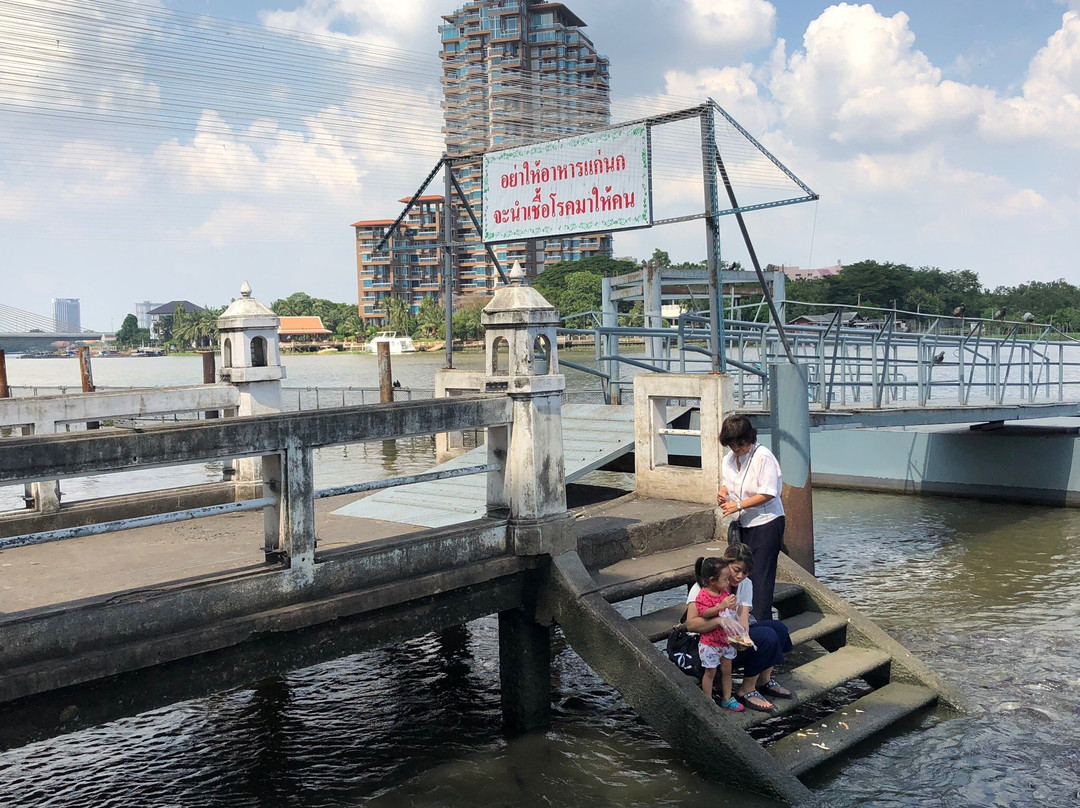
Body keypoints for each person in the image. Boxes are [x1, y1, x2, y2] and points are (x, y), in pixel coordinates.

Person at [717, 413, 785, 622]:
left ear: (748, 439)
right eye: (732, 445)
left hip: (767, 522)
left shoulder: (762, 456)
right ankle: (743, 622)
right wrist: (723, 492)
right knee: (741, 576)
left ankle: (762, 624)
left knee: (760, 578)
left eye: (740, 444)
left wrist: (737, 505)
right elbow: (728, 482)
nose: (736, 449)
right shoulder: (728, 459)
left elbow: (768, 492)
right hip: (744, 523)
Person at [722, 542, 794, 711]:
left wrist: (743, 638)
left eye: (745, 572)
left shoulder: (746, 584)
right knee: (767, 636)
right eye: (736, 570)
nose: (740, 576)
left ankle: (764, 679)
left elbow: (743, 615)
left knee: (779, 629)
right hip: (717, 640)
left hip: (734, 634)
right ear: (726, 563)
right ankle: (746, 689)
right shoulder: (715, 581)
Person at [692, 557, 744, 712]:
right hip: (710, 643)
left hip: (724, 640)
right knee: (710, 672)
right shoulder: (703, 595)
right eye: (725, 579)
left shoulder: (723, 592)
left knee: (727, 671)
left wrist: (732, 607)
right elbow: (704, 613)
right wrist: (720, 607)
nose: (728, 582)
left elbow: (728, 613)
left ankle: (727, 698)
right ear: (712, 580)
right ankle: (707, 701)